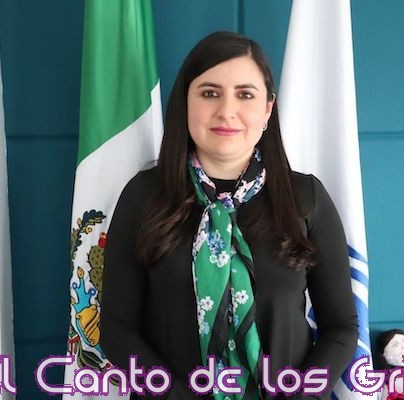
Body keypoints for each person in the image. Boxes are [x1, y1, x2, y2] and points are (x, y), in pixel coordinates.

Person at [100, 31, 358, 399]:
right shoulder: (144, 196)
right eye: (210, 93)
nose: (226, 111)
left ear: (267, 108)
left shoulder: (306, 198)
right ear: (185, 103)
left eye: (245, 95)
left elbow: (341, 328)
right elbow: (118, 329)